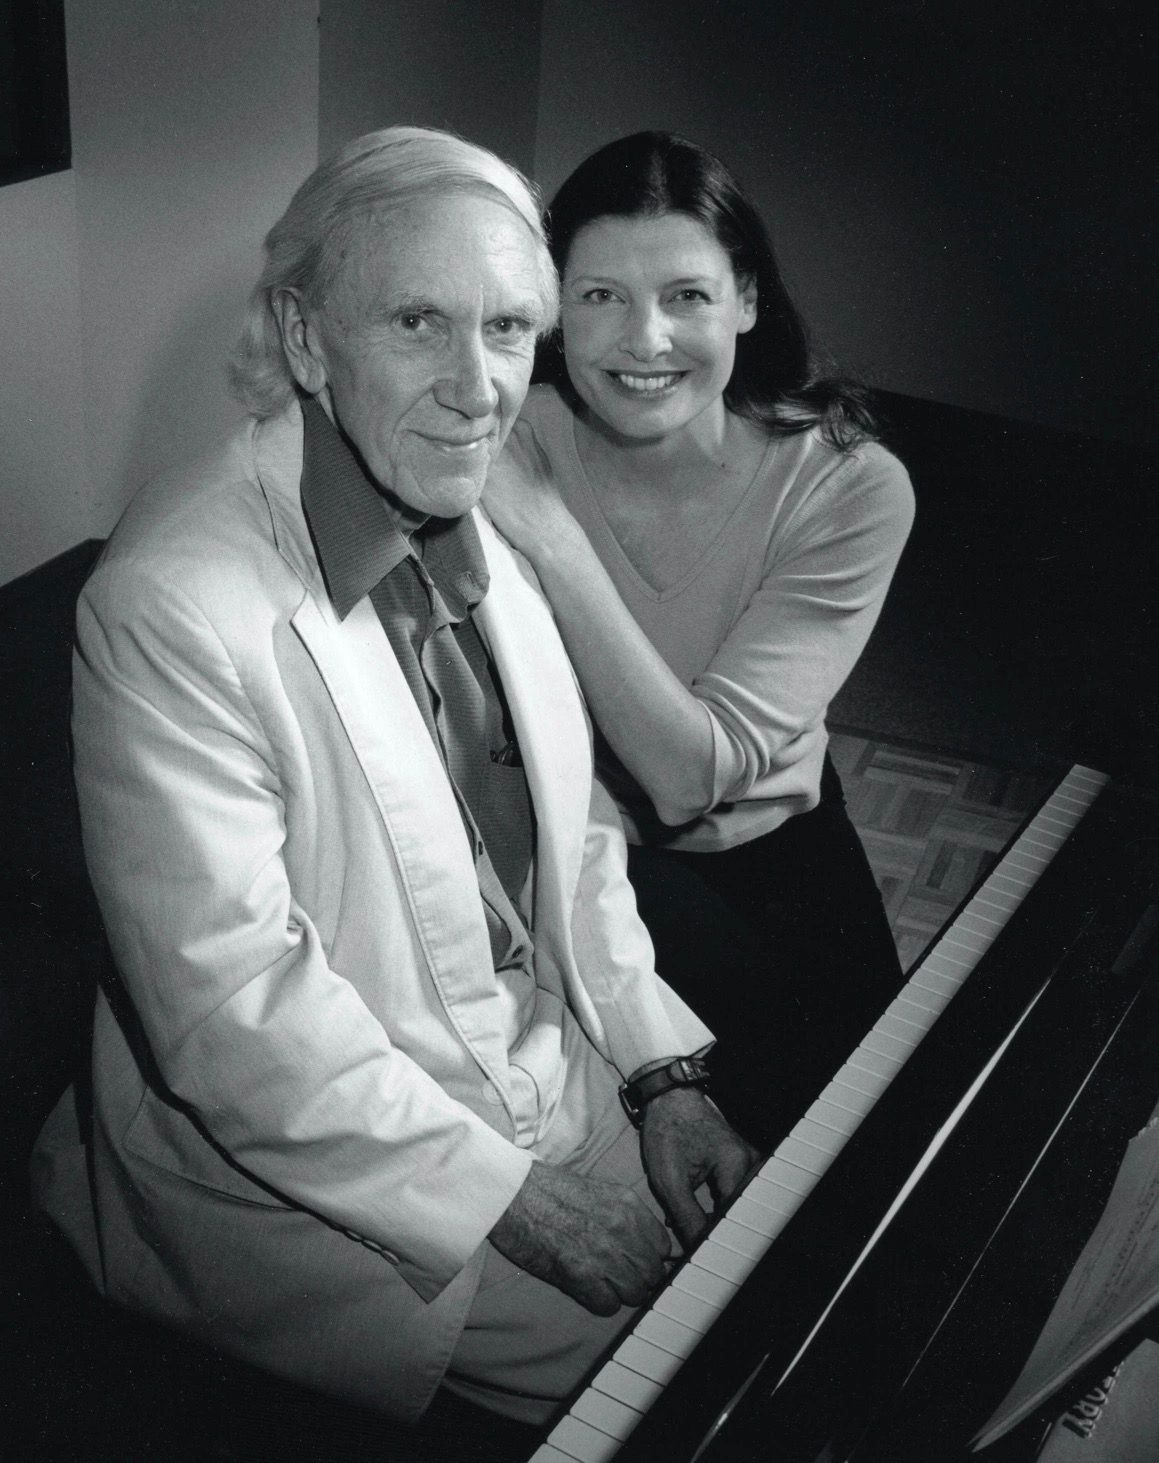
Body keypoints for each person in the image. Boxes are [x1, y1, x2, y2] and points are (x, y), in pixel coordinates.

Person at [31, 126, 757, 1440]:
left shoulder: (477, 499)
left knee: (769, 1284)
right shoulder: (168, 605)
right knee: (702, 1397)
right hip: (336, 1177)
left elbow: (578, 834)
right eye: (419, 322)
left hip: (538, 1062)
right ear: (306, 341)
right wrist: (517, 1200)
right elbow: (235, 1020)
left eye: (507, 329)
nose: (478, 388)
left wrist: (663, 1071)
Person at [483, 132, 916, 1155]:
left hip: (775, 843)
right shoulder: (504, 430)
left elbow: (691, 779)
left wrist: (553, 537)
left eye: (686, 295)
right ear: (552, 307)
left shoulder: (848, 487)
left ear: (746, 301)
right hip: (582, 853)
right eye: (599, 296)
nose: (645, 340)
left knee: (875, 1129)